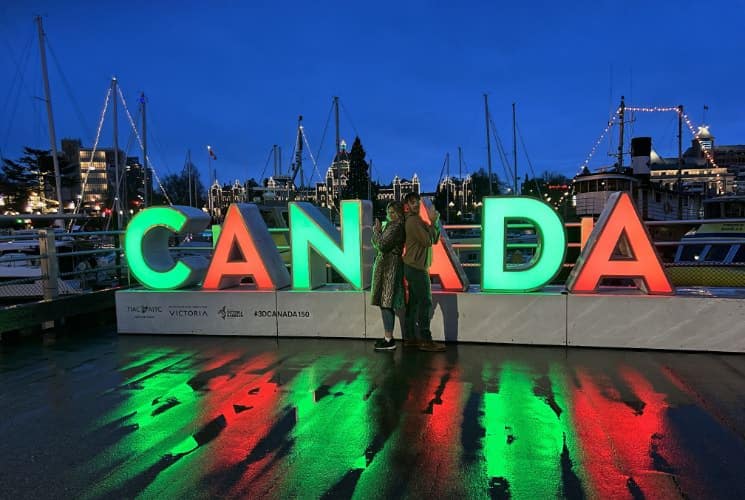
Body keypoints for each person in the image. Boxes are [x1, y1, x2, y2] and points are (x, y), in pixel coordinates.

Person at [403, 192, 446, 352]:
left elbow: (433, 239)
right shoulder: (413, 221)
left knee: (413, 303)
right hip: (417, 268)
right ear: (407, 205)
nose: (416, 205)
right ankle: (425, 340)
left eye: (417, 202)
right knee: (425, 302)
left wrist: (433, 224)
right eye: (412, 202)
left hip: (413, 266)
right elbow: (429, 240)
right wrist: (434, 222)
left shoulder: (417, 220)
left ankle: (410, 338)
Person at [371, 201, 406, 351]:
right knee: (385, 303)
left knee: (386, 303)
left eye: (393, 212)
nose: (390, 214)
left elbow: (382, 245)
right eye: (388, 211)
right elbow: (380, 244)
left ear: (399, 213)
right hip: (387, 267)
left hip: (389, 267)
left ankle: (389, 339)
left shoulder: (396, 226)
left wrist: (377, 232)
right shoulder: (394, 225)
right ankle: (387, 337)